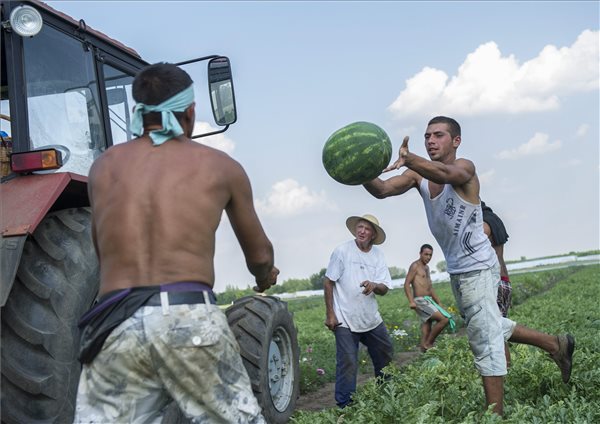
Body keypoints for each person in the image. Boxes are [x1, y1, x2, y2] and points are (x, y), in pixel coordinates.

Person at [74, 63, 278, 423]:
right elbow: (259, 255)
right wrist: (264, 278)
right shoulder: (220, 166)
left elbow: (101, 249)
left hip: (116, 321)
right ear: (190, 111)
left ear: (139, 111)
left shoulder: (103, 167)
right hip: (188, 316)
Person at [363, 116, 574, 416]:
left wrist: (410, 159)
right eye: (427, 136)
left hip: (478, 268)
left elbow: (446, 172)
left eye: (438, 135)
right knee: (489, 324)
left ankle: (495, 415)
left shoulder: (465, 170)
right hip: (459, 272)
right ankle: (556, 345)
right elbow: (382, 189)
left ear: (456, 141)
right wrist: (360, 170)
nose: (431, 141)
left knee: (484, 339)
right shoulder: (417, 177)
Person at [323, 214, 394, 408]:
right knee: (348, 362)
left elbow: (385, 288)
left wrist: (374, 285)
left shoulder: (378, 255)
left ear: (373, 235)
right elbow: (328, 282)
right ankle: (346, 407)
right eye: (360, 227)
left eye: (367, 229)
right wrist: (331, 314)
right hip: (344, 318)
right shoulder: (342, 251)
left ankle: (387, 394)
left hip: (370, 317)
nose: (362, 231)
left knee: (385, 352)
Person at [404, 244, 454, 352]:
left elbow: (430, 287)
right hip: (420, 301)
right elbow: (407, 284)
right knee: (444, 319)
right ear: (420, 254)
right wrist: (411, 301)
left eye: (430, 255)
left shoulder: (426, 268)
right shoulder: (415, 266)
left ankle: (424, 350)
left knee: (427, 324)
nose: (428, 257)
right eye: (426, 254)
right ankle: (429, 343)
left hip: (428, 300)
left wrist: (438, 302)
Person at [481, 201, 512, 318]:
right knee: (501, 323)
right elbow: (500, 259)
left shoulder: (483, 225)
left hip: (495, 285)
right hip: (504, 282)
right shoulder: (494, 220)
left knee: (495, 328)